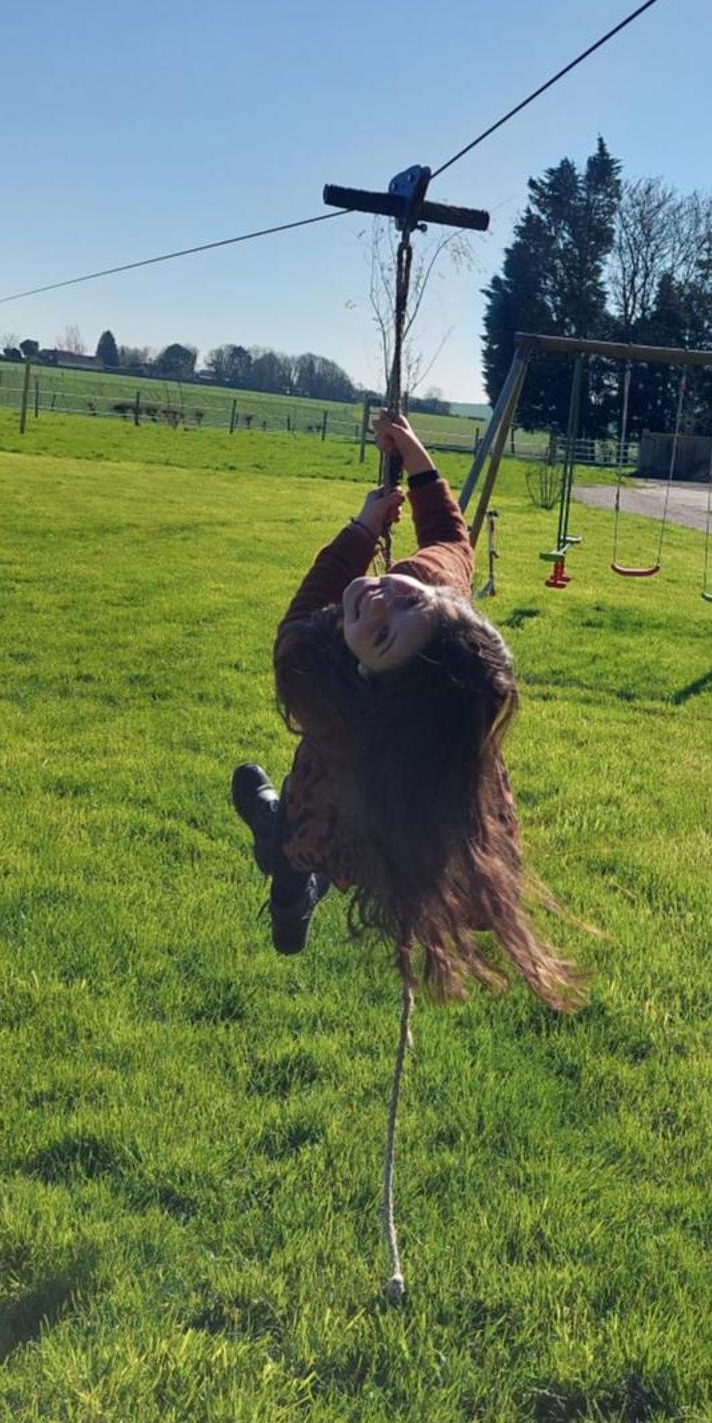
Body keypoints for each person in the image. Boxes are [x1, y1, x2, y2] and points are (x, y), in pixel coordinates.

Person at [231, 411, 578, 1009]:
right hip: (366, 783)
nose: (378, 602)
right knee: (302, 843)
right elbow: (449, 535)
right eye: (407, 600)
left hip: (342, 792)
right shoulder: (430, 590)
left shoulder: (330, 691)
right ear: (443, 601)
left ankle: (283, 860)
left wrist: (361, 532)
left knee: (294, 838)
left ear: (371, 683)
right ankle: (292, 898)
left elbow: (482, 880)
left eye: (384, 636)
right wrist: (416, 461)